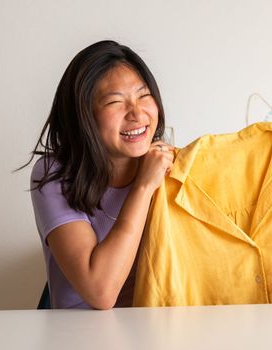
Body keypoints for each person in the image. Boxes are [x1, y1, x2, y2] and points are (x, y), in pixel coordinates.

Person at [22, 40, 174, 309]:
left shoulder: (167, 164)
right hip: (77, 333)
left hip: (150, 329)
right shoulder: (54, 175)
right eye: (115, 101)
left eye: (143, 95)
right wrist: (143, 188)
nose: (137, 114)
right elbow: (99, 291)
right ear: (83, 117)